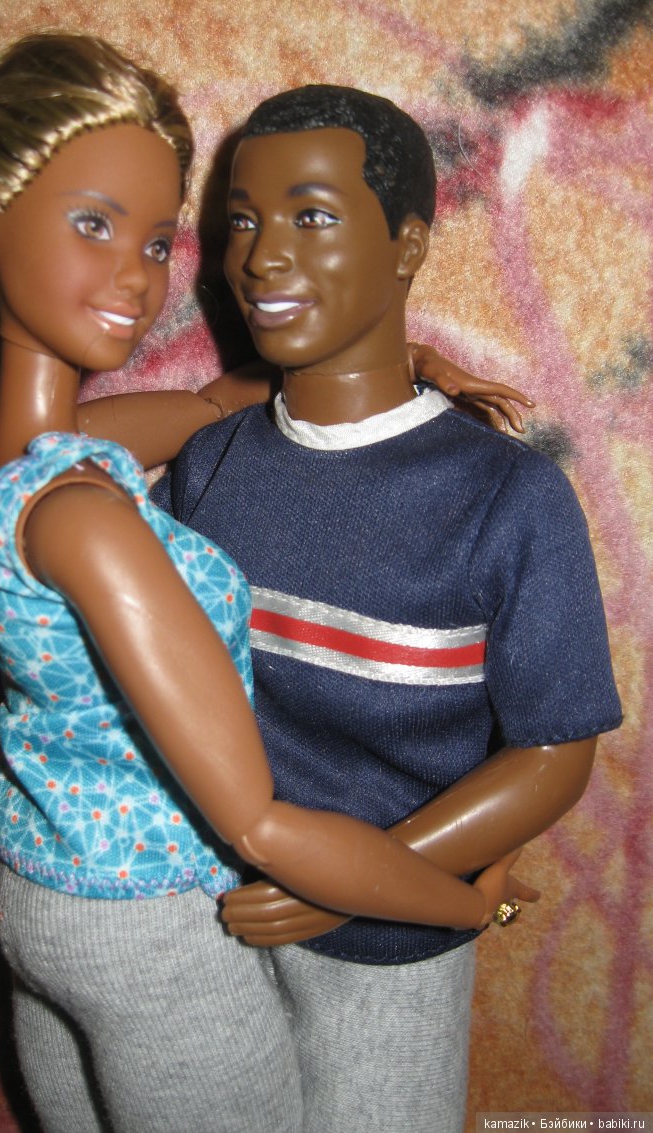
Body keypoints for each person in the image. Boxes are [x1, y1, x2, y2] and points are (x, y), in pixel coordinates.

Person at [0, 37, 535, 1133]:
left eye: (156, 242)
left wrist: (399, 367)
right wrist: (461, 904)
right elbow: (258, 819)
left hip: (28, 874)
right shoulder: (84, 519)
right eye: (93, 225)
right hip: (144, 916)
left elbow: (203, 413)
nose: (138, 280)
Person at [151, 86, 623, 1131]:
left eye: (312, 215)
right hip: (198, 914)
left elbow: (553, 752)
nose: (262, 256)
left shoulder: (503, 496)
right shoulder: (209, 464)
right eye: (243, 220)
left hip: (389, 948)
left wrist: (360, 879)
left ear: (406, 246)